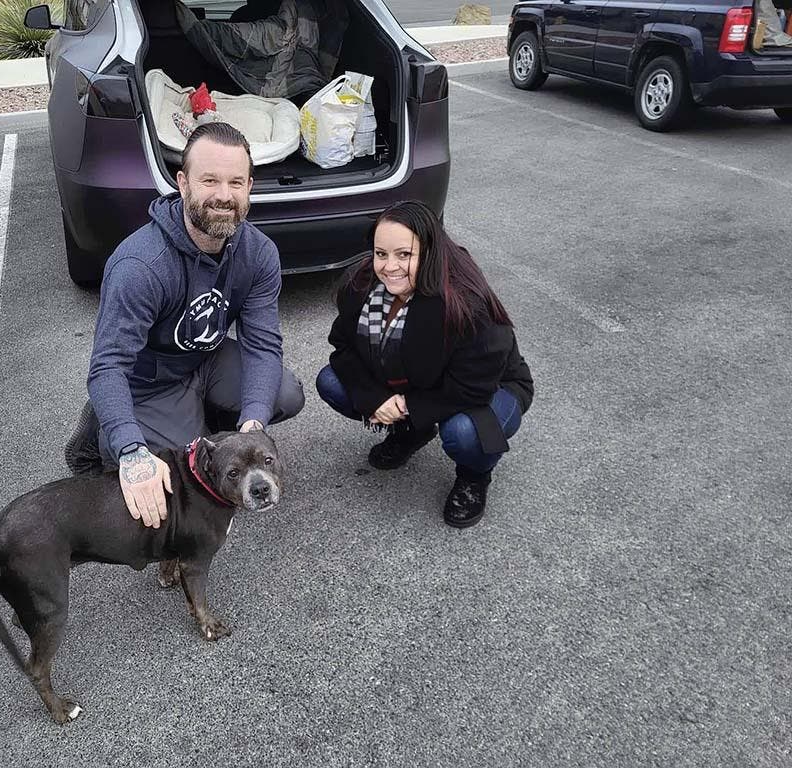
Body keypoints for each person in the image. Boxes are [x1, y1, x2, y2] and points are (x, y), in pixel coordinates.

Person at [65, 122, 305, 530]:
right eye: (209, 180)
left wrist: (251, 430)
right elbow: (108, 367)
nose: (224, 196)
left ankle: (197, 425)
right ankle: (105, 428)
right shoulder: (140, 266)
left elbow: (263, 347)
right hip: (149, 382)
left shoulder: (258, 253)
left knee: (284, 393)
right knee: (167, 482)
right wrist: (130, 449)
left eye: (235, 182)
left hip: (204, 361)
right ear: (182, 182)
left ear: (250, 186)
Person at [315, 200, 533, 528]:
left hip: (488, 389)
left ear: (430, 252)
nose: (389, 267)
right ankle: (410, 434)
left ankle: (474, 476)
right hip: (418, 381)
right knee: (331, 382)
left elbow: (472, 386)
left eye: (405, 254)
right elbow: (342, 346)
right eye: (381, 253)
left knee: (463, 432)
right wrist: (377, 399)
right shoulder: (361, 284)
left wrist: (408, 407)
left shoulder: (466, 304)